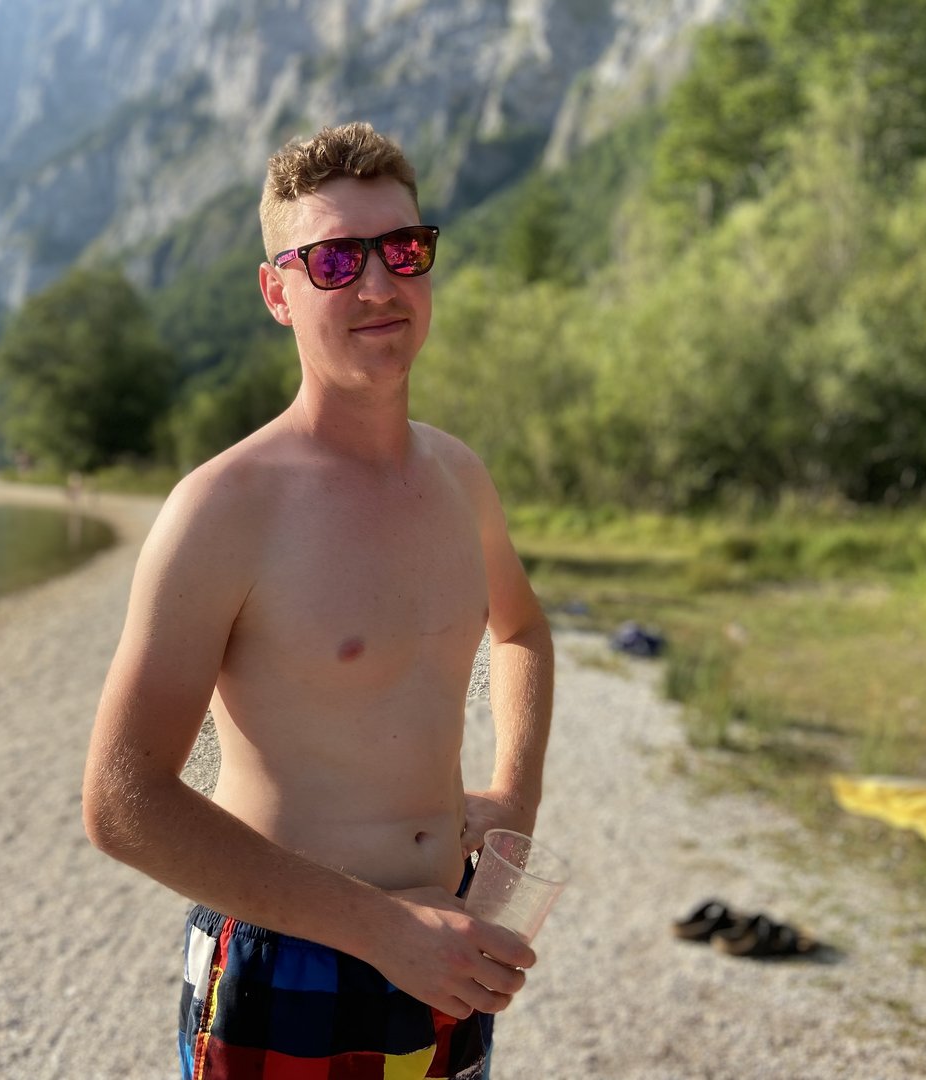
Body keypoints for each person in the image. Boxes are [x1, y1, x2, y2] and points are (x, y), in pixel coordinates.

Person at [82, 121, 555, 1079]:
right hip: (290, 961)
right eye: (336, 260)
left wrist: (514, 799)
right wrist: (384, 930)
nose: (378, 285)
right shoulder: (224, 509)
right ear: (278, 292)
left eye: (403, 250)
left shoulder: (460, 478)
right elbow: (123, 802)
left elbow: (522, 630)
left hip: (445, 946)